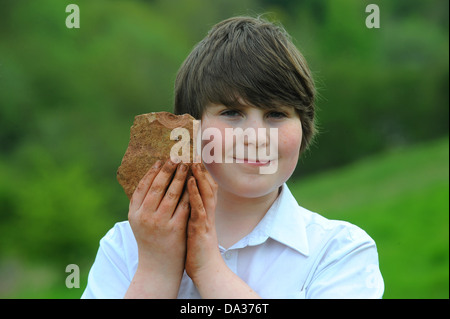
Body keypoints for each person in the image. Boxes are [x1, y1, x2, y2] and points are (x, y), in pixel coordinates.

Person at [82, 16, 384, 299]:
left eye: (276, 114)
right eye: (231, 113)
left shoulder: (341, 251)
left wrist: (209, 269)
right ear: (189, 127)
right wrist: (156, 269)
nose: (255, 136)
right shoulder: (126, 247)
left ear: (303, 128)